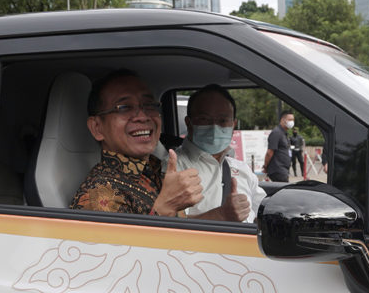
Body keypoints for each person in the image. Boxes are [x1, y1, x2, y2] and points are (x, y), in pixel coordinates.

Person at [70, 69, 202, 216]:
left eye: (149, 105)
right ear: (97, 128)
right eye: (124, 107)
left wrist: (222, 214)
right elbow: (117, 240)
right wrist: (166, 208)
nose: (143, 116)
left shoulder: (152, 171)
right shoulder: (99, 195)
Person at [165, 84, 265, 222]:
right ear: (189, 123)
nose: (214, 127)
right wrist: (221, 216)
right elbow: (167, 224)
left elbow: (262, 211)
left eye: (223, 120)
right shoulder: (173, 168)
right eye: (204, 119)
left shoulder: (241, 168)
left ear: (233, 124)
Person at [263, 111, 293, 182]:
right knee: (284, 191)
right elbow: (270, 152)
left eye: (293, 120)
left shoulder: (284, 133)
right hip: (278, 169)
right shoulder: (276, 133)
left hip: (283, 170)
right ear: (283, 120)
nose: (292, 122)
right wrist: (265, 166)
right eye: (290, 120)